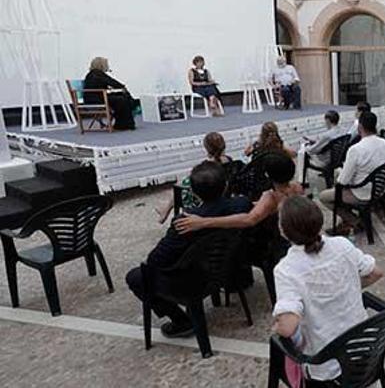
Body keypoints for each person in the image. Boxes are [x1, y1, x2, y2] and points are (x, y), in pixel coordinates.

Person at [126, 161, 252, 338]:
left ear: (192, 192)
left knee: (136, 277)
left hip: (192, 280)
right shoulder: (242, 205)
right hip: (225, 271)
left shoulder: (185, 223)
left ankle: (181, 321)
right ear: (225, 185)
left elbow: (156, 260)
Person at [272, 196, 383, 382]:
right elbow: (376, 272)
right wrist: (343, 288)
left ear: (283, 230)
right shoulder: (342, 244)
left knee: (276, 343)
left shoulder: (287, 269)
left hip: (326, 366)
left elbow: (289, 327)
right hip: (364, 350)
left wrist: (277, 326)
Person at [173, 153, 305, 233]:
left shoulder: (270, 196)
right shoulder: (297, 188)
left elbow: (249, 220)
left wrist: (203, 222)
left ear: (267, 175)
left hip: (269, 235)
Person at [319, 111, 385, 235]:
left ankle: (355, 221)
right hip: (379, 189)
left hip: (361, 193)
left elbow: (343, 181)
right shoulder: (384, 144)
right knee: (342, 180)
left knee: (324, 196)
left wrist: (339, 175)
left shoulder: (356, 149)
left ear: (360, 127)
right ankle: (348, 221)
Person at [155, 131, 233, 223]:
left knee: (180, 187)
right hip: (223, 194)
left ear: (206, 148)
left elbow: (194, 181)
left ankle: (165, 210)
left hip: (205, 197)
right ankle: (165, 210)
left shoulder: (207, 167)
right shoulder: (230, 161)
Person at [83, 56, 136, 130]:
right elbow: (111, 81)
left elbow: (107, 82)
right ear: (101, 65)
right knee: (121, 99)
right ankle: (124, 123)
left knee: (122, 97)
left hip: (98, 97)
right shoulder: (97, 74)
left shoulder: (94, 73)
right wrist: (122, 86)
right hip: (95, 99)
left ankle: (124, 123)